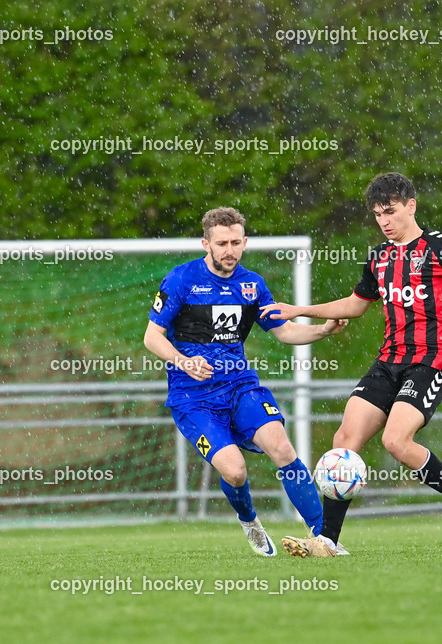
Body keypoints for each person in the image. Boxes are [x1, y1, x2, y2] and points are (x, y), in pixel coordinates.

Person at [260, 172, 442, 557]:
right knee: (345, 441)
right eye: (377, 214)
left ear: (411, 206)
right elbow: (357, 304)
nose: (384, 221)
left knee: (396, 441)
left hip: (433, 359)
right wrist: (301, 309)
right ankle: (328, 540)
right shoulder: (379, 257)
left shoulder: (440, 246)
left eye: (390, 212)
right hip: (390, 359)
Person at [144, 207, 347, 556]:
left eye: (236, 242)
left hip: (240, 387)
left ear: (245, 242)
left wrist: (323, 329)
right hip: (193, 400)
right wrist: (184, 361)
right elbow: (152, 337)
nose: (229, 251)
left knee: (283, 448)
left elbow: (283, 330)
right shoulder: (181, 280)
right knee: (235, 472)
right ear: (205, 243)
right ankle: (250, 522)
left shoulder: (252, 285)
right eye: (221, 243)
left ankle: (325, 538)